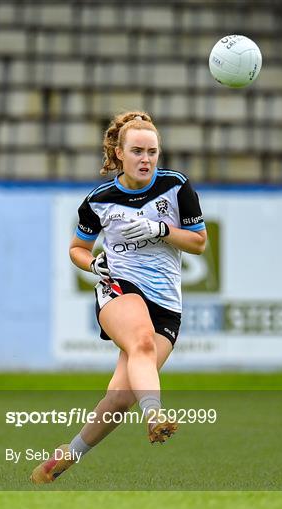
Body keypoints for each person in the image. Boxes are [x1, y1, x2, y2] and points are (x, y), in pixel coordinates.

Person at [31, 111, 207, 484]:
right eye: (138, 151)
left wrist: (160, 229)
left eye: (153, 152)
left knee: (121, 398)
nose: (146, 159)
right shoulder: (99, 200)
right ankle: (156, 416)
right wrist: (94, 265)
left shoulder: (176, 187)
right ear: (119, 153)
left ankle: (67, 455)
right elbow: (77, 248)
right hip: (118, 286)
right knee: (141, 344)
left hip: (166, 303)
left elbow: (199, 243)